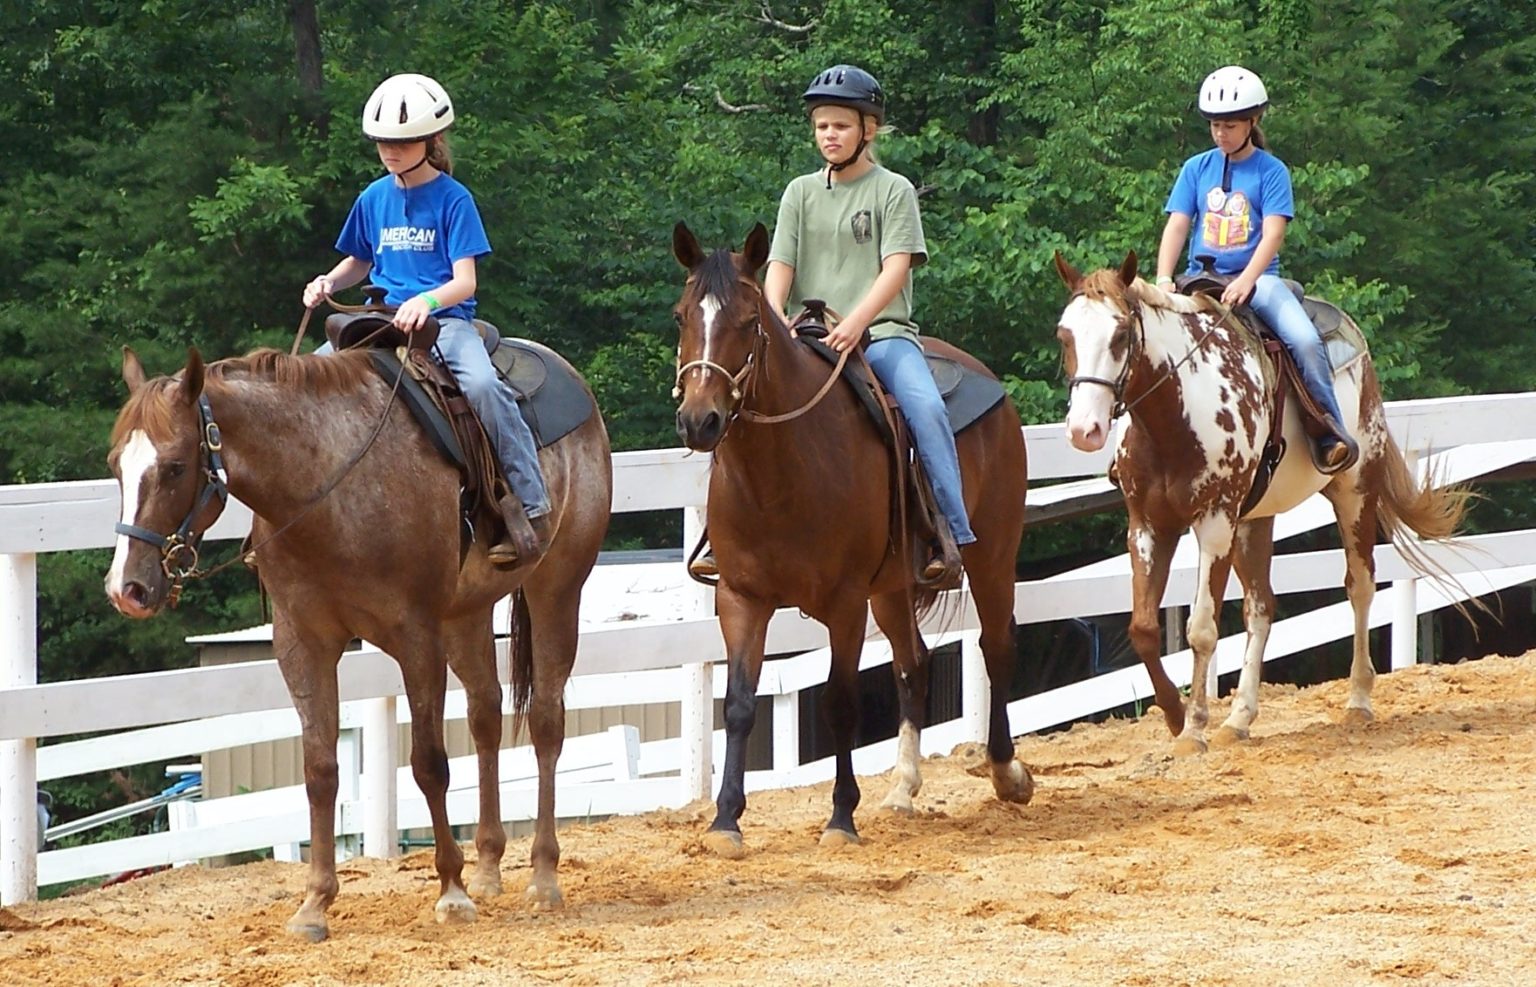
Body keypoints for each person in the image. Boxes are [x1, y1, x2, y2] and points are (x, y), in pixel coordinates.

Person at [692, 64, 973, 583]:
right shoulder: (799, 192)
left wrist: (858, 322)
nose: (829, 135)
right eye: (822, 126)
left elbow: (897, 267)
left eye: (841, 126)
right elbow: (779, 265)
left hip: (880, 336)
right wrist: (776, 312)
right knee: (735, 398)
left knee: (925, 408)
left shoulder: (893, 190)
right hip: (805, 336)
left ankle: (947, 533)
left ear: (868, 130)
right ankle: (721, 534)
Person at [302, 73, 550, 567]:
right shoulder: (373, 197)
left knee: (482, 386)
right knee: (306, 382)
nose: (390, 152)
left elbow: (465, 282)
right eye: (382, 144)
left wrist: (429, 302)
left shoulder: (454, 199)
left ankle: (530, 502)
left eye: (401, 142)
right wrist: (328, 281)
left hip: (445, 324)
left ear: (430, 141)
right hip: (379, 319)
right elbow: (360, 260)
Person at [1154, 65, 1358, 473]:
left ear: (1253, 121)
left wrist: (1247, 280)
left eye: (1229, 125)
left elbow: (1273, 235)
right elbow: (1178, 224)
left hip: (1259, 280)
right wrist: (1162, 278)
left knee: (1303, 340)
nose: (1220, 134)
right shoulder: (1196, 168)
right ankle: (1138, 444)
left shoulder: (1271, 171)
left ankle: (1327, 428)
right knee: (1144, 338)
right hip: (1198, 278)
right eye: (1214, 125)